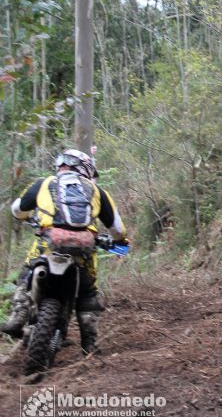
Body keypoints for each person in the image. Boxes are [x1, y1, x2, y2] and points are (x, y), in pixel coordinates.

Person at [1, 149, 128, 354]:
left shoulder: (43, 183)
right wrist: (120, 243)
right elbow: (118, 230)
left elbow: (17, 210)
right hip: (83, 252)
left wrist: (29, 218)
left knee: (26, 274)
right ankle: (89, 344)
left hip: (49, 245)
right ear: (85, 168)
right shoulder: (97, 191)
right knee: (88, 292)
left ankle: (17, 317)